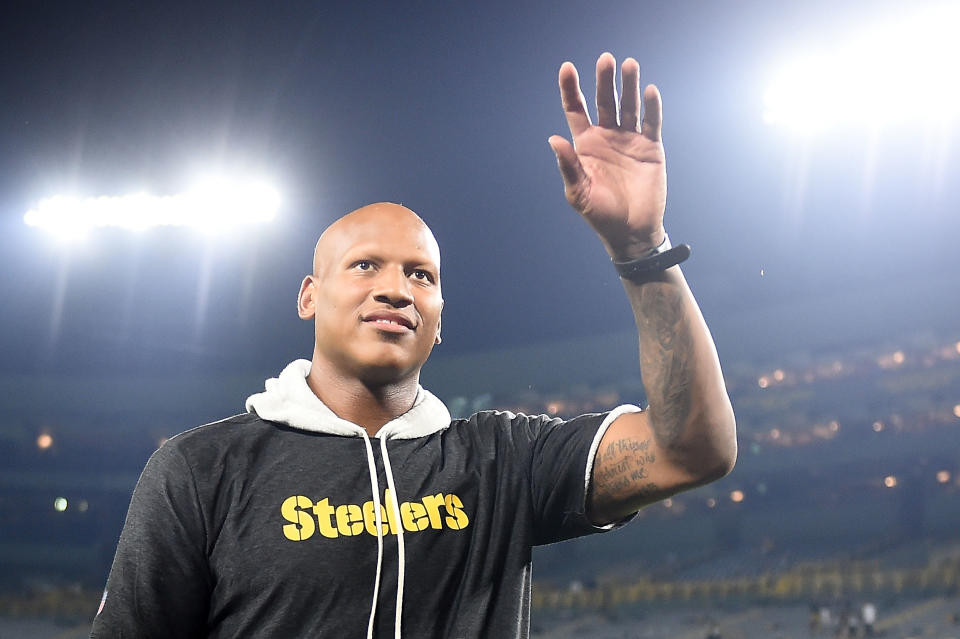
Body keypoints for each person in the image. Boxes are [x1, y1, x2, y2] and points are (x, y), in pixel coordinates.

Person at [90, 52, 736, 638]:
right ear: (309, 295)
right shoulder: (202, 468)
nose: (396, 289)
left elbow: (692, 450)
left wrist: (640, 249)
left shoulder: (503, 461)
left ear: (439, 316)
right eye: (365, 266)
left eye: (420, 274)